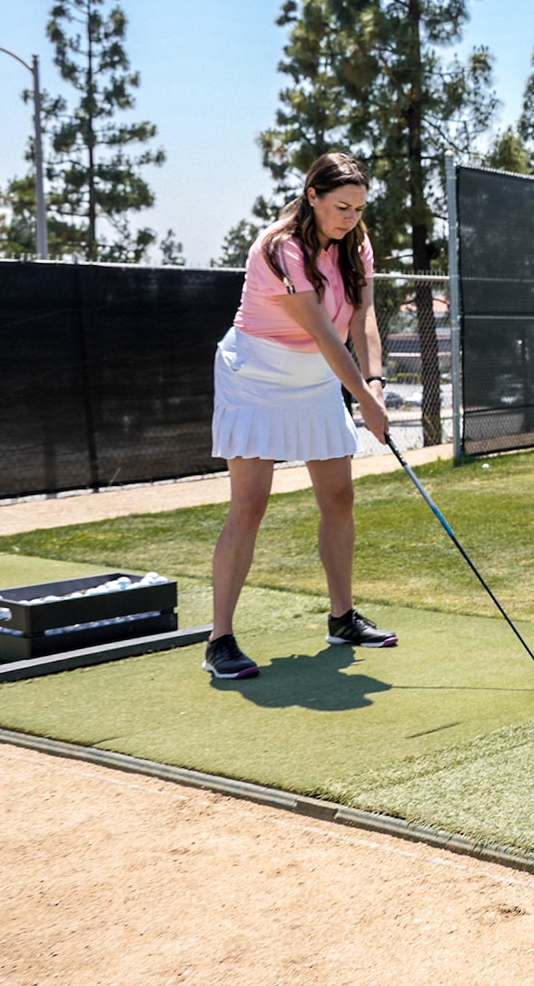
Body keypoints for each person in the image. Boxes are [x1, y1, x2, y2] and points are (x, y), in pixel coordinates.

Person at [202, 152, 399, 680]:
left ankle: (342, 618)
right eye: (341, 207)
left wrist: (375, 384)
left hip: (316, 374)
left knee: (340, 497)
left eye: (359, 209)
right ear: (312, 196)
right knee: (250, 505)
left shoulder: (356, 244)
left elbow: (363, 317)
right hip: (257, 374)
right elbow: (323, 330)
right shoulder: (278, 248)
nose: (350, 219)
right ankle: (220, 640)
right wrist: (363, 400)